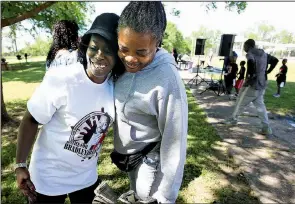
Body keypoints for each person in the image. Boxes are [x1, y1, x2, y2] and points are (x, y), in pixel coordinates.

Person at [15, 13, 125, 204]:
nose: (99, 55)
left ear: (118, 55)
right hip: (48, 178)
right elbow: (31, 119)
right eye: (94, 47)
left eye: (108, 50)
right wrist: (20, 165)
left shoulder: (116, 86)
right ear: (86, 47)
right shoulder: (62, 78)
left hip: (86, 179)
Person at [111, 2, 188, 203]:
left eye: (141, 52)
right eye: (124, 48)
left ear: (158, 42)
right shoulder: (118, 65)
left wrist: (164, 197)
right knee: (134, 195)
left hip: (150, 162)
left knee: (144, 198)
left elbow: (175, 141)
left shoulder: (167, 78)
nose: (130, 59)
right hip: (130, 159)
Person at [224, 39, 278, 135]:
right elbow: (275, 60)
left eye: (244, 46)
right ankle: (266, 128)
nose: (244, 48)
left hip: (252, 84)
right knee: (261, 107)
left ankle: (233, 119)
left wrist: (250, 76)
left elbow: (251, 63)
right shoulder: (263, 53)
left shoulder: (250, 53)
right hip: (262, 83)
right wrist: (268, 71)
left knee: (240, 102)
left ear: (248, 46)